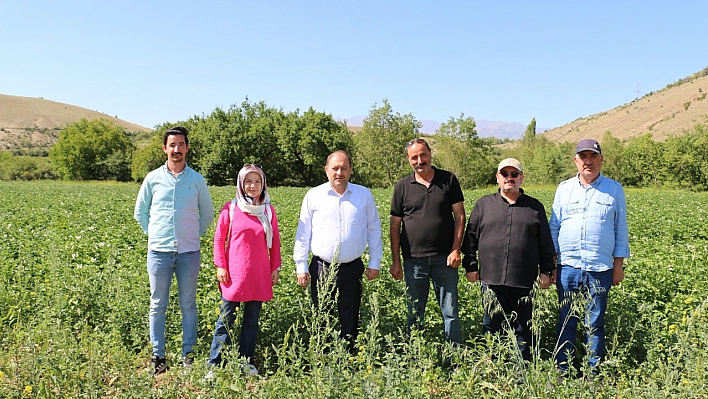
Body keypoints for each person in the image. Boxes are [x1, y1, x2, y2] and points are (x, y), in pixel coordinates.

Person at [134, 126, 214, 376]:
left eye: (181, 145)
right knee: (157, 304)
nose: (176, 149)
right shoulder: (153, 179)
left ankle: (187, 355)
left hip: (189, 254)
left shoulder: (197, 180)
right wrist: (156, 235)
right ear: (165, 149)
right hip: (159, 253)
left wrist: (192, 234)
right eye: (172, 145)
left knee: (188, 304)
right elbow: (141, 212)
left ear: (187, 148)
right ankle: (158, 355)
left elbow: (207, 214)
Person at [461, 158, 556, 361]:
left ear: (521, 178)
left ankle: (520, 368)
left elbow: (545, 243)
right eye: (505, 174)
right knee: (491, 324)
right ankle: (492, 366)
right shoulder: (483, 205)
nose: (509, 178)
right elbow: (470, 238)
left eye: (514, 174)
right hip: (490, 278)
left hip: (524, 279)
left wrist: (546, 271)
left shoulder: (534, 207)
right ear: (498, 178)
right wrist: (470, 265)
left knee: (523, 327)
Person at [550, 139, 630, 372]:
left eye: (593, 156)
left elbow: (620, 229)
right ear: (576, 161)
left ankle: (592, 372)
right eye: (583, 157)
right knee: (567, 320)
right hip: (568, 268)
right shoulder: (564, 189)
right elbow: (554, 227)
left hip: (600, 268)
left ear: (601, 160)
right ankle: (562, 370)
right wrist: (551, 264)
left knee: (594, 322)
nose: (588, 161)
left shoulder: (614, 189)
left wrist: (618, 266)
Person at [293, 150, 383, 352]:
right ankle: (323, 358)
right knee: (322, 315)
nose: (339, 172)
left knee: (350, 316)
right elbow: (303, 233)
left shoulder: (363, 195)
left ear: (350, 170)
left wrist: (374, 262)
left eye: (344, 168)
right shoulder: (313, 196)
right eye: (335, 168)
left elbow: (374, 229)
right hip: (321, 267)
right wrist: (301, 266)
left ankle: (348, 359)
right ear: (326, 170)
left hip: (352, 268)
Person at [206, 164, 281, 377]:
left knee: (251, 322)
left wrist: (274, 267)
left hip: (258, 273)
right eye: (248, 181)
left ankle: (246, 362)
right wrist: (220, 265)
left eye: (257, 181)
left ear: (263, 184)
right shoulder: (230, 208)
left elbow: (274, 241)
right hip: (234, 274)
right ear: (241, 184)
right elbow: (219, 239)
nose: (253, 186)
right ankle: (215, 365)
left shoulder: (267, 210)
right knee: (225, 320)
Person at [389, 138, 466, 345]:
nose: (419, 160)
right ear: (408, 160)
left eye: (423, 155)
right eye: (414, 157)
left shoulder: (448, 180)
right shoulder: (402, 187)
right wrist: (396, 261)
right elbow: (395, 225)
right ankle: (416, 357)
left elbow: (459, 216)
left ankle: (455, 356)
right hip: (414, 261)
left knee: (450, 313)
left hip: (445, 260)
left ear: (430, 154)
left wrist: (455, 249)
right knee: (414, 313)